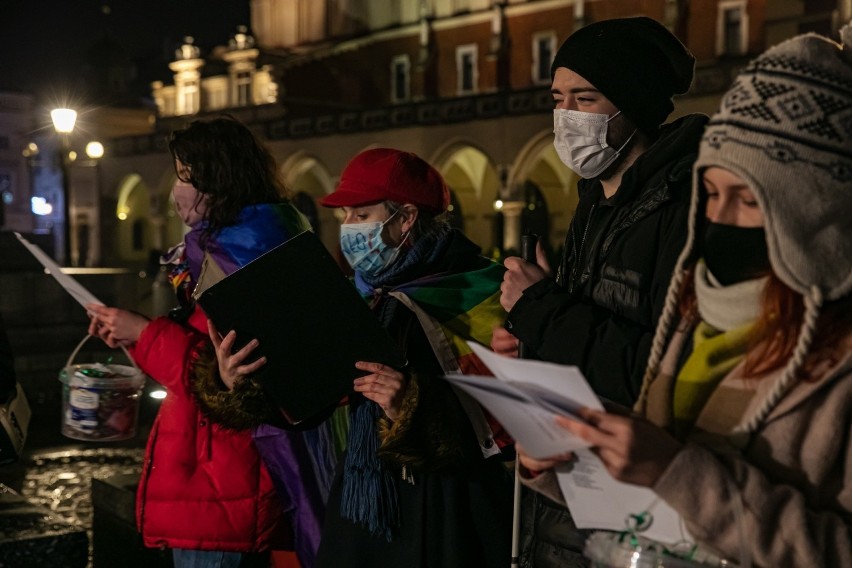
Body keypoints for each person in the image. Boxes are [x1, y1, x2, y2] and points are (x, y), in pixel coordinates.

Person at [518, 23, 852, 567]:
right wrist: (566, 464)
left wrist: (677, 473)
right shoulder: (695, 314)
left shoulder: (835, 362)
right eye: (713, 193)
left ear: (816, 210)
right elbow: (651, 473)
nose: (715, 218)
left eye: (746, 198)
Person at [214, 148, 515, 567]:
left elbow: (508, 419)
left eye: (361, 215)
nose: (348, 229)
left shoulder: (484, 294)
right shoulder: (360, 297)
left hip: (447, 508)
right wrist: (245, 379)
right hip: (363, 510)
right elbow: (315, 392)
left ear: (406, 218)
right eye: (345, 218)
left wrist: (410, 404)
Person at [491, 16, 707, 565]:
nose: (566, 117)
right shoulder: (594, 203)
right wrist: (529, 341)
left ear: (631, 104)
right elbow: (584, 335)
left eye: (585, 99)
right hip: (567, 498)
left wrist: (541, 308)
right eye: (558, 98)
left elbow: (654, 373)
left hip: (634, 514)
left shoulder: (682, 205)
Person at [87, 116, 312, 568]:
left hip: (225, 480)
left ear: (219, 179)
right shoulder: (229, 245)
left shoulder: (249, 252)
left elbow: (235, 368)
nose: (176, 189)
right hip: (208, 471)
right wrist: (133, 335)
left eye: (185, 176)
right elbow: (202, 345)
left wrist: (145, 332)